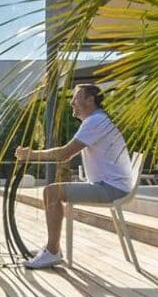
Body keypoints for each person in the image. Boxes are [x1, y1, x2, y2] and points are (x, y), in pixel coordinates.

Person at [14, 83, 131, 269]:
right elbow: (66, 154)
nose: (72, 103)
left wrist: (33, 155)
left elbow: (65, 154)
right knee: (52, 191)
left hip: (111, 188)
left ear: (90, 100)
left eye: (76, 98)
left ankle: (52, 252)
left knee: (51, 192)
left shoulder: (95, 121)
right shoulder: (96, 121)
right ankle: (52, 249)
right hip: (110, 185)